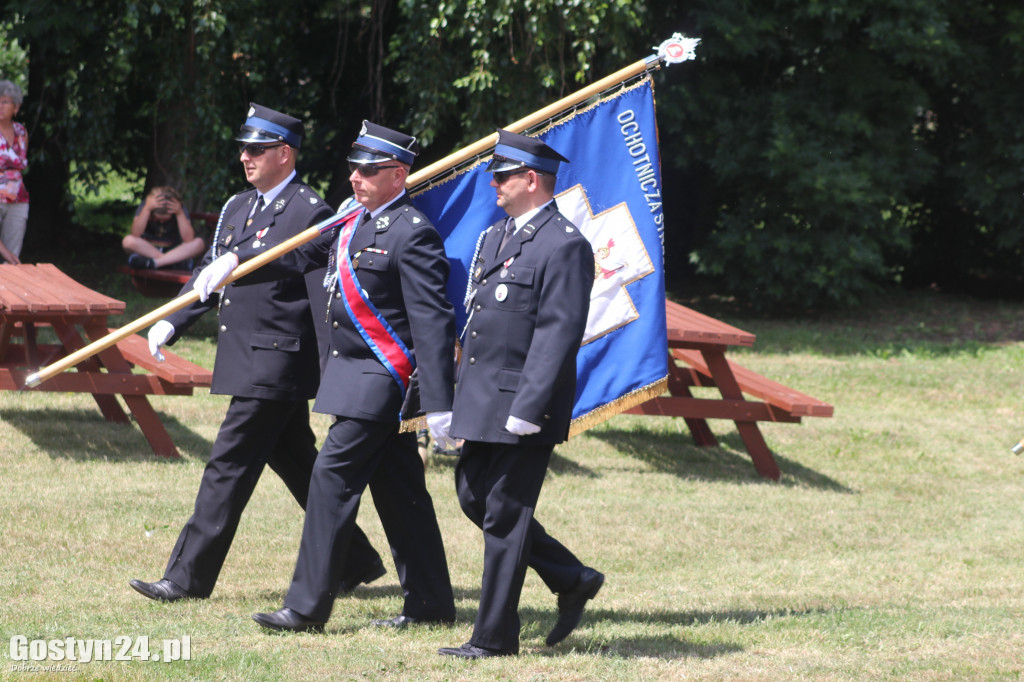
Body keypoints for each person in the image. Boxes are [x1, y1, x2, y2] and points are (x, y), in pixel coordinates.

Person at [130, 103, 385, 604]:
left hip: (277, 362)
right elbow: (208, 274)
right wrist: (171, 319)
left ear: (284, 154)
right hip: (246, 357)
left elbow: (291, 260)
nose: (245, 157)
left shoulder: (308, 211)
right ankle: (355, 559)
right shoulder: (237, 207)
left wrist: (237, 258)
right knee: (299, 465)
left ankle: (185, 578)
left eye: (256, 149)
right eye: (243, 148)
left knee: (227, 466)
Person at [248, 121, 457, 633]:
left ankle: (305, 607)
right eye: (353, 168)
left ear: (399, 174)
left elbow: (432, 322)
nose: (356, 178)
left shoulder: (413, 232)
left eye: (369, 169)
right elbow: (297, 255)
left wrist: (439, 400)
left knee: (329, 482)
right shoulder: (354, 223)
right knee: (402, 492)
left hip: (381, 383)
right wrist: (234, 262)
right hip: (351, 379)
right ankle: (430, 604)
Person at [436, 129, 603, 659]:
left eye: (503, 175)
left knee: (505, 515)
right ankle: (570, 577)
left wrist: (530, 408)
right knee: (472, 496)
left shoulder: (565, 244)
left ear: (531, 180)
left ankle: (492, 639)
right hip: (484, 399)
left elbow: (558, 332)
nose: (495, 183)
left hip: (525, 406)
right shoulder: (496, 236)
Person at [122, 186, 206, 270]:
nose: (161, 222)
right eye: (158, 219)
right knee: (128, 240)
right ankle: (167, 262)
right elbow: (136, 233)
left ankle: (156, 263)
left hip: (174, 251)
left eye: (165, 219)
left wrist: (179, 213)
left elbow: (188, 238)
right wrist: (146, 209)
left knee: (199, 243)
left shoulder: (178, 208)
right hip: (148, 251)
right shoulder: (147, 205)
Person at [0, 80, 28, 264]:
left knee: (12, 261)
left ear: (16, 107)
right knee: (5, 253)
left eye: (5, 102)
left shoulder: (21, 131)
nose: (0, 106)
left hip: (19, 199)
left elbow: (22, 164)